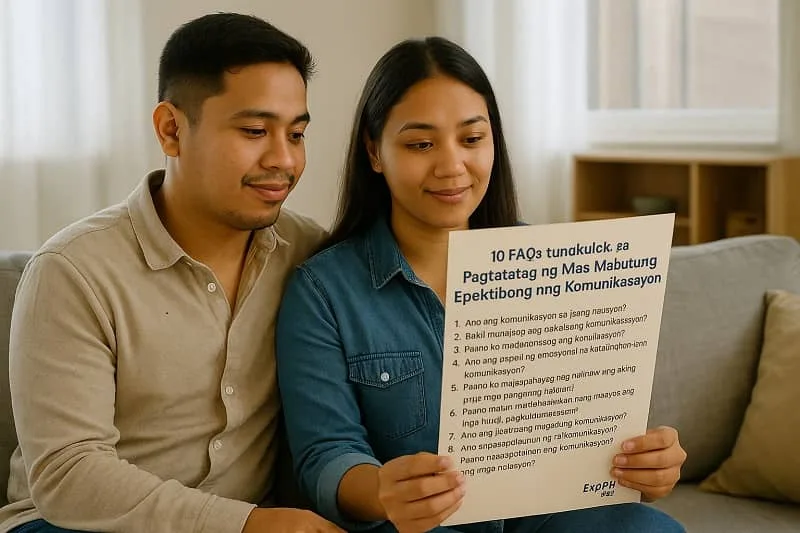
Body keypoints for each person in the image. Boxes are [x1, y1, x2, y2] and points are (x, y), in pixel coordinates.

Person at [274, 36, 688, 533]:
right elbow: (326, 456)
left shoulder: (554, 268)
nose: (452, 166)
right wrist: (385, 490)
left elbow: (595, 430)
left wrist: (647, 462)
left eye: (472, 139)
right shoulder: (322, 291)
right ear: (374, 151)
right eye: (420, 144)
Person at [0, 12, 345, 533]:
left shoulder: (308, 255)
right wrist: (247, 525)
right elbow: (68, 475)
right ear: (171, 129)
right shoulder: (72, 271)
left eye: (296, 134)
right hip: (73, 525)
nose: (284, 159)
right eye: (254, 130)